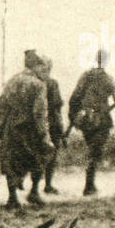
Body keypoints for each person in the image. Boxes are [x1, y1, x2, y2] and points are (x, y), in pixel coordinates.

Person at [0, 50, 53, 210]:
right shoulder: (38, 84)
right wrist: (44, 136)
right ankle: (34, 191)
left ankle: (12, 197)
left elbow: (2, 104)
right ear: (36, 66)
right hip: (30, 130)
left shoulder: (12, 81)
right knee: (40, 157)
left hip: (11, 128)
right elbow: (39, 113)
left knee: (11, 161)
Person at [67, 49, 115, 196]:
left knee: (92, 149)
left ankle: (90, 184)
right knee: (95, 152)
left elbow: (75, 97)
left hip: (85, 120)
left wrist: (73, 116)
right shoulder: (108, 79)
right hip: (101, 119)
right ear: (106, 61)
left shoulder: (85, 76)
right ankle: (89, 185)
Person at [39, 56, 66, 193]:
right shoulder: (52, 83)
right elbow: (57, 105)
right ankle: (48, 185)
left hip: (37, 121)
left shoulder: (36, 81)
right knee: (52, 154)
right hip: (52, 123)